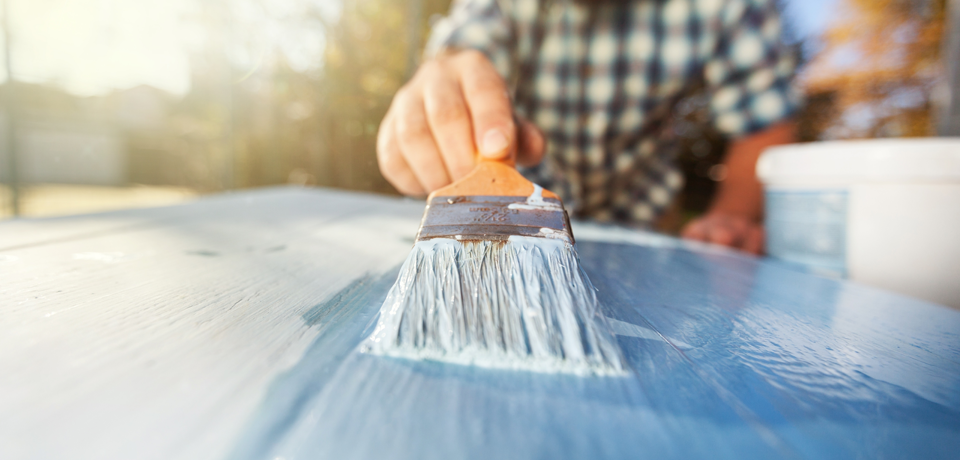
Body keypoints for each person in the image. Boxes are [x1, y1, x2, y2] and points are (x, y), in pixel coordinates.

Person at [376, 0, 799, 254]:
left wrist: (731, 216)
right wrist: (442, 83)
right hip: (513, 231)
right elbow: (463, 51)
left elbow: (763, 118)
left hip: (640, 231)